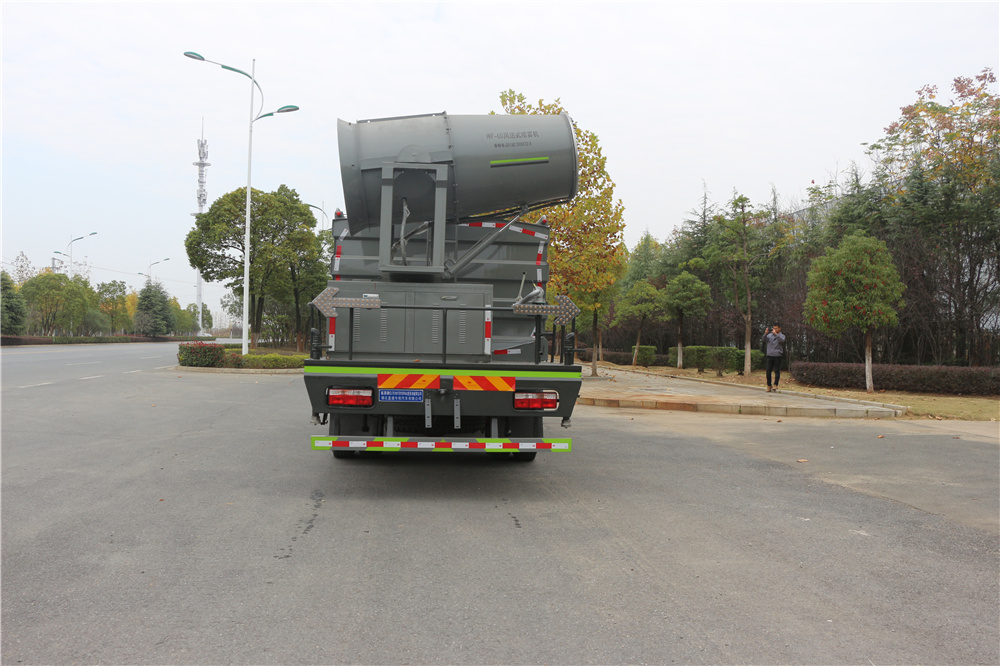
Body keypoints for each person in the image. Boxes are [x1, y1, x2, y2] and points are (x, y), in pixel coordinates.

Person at [762, 324, 785, 392]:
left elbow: (781, 341)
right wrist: (765, 334)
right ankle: (769, 385)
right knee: (768, 371)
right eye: (773, 328)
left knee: (776, 370)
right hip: (770, 354)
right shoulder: (769, 335)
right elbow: (763, 340)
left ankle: (776, 384)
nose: (774, 329)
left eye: (776, 328)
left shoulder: (782, 335)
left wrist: (776, 334)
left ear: (779, 328)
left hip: (777, 355)